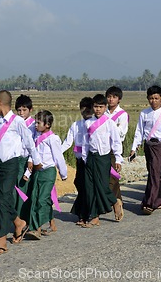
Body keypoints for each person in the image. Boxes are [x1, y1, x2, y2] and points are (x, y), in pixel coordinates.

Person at [0, 90, 42, 255]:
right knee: (0, 199)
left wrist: (35, 161)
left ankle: (1, 239)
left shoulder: (17, 121)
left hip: (11, 164)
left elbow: (29, 143)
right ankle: (19, 223)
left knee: (4, 199)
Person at [131, 86, 161, 215]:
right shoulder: (144, 113)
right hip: (148, 145)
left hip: (160, 145)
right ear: (148, 99)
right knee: (154, 172)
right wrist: (134, 148)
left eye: (156, 98)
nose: (153, 101)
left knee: (154, 173)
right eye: (151, 98)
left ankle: (150, 202)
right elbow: (139, 131)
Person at [81, 94, 124, 227]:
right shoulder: (88, 123)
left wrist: (118, 158)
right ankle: (94, 217)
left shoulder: (109, 123)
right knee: (89, 187)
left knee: (101, 186)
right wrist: (84, 158)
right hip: (90, 157)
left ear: (105, 107)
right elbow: (85, 142)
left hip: (103, 158)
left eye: (100, 107)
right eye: (95, 106)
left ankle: (114, 201)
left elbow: (116, 142)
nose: (98, 109)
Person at [24, 110, 67, 239]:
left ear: (47, 124)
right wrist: (28, 171)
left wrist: (63, 173)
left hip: (48, 172)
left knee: (42, 199)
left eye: (38, 122)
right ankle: (49, 222)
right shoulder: (36, 136)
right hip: (38, 172)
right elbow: (33, 154)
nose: (36, 125)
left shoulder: (53, 139)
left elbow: (58, 157)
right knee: (35, 198)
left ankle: (36, 228)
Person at [62, 97, 93, 226]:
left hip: (91, 159)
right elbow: (68, 142)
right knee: (79, 183)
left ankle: (85, 215)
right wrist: (56, 153)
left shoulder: (95, 124)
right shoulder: (76, 125)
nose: (85, 111)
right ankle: (83, 212)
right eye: (83, 108)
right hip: (79, 159)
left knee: (88, 186)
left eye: (88, 108)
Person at [105, 86, 128, 221]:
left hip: (115, 149)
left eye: (114, 97)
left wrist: (108, 128)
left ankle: (115, 203)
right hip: (103, 148)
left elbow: (121, 133)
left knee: (112, 178)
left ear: (119, 99)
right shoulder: (104, 112)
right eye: (109, 96)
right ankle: (117, 199)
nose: (111, 99)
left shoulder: (122, 114)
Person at [13, 94, 36, 220]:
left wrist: (31, 160)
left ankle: (24, 218)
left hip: (27, 160)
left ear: (30, 110)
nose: (21, 113)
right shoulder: (15, 123)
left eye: (24, 110)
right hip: (16, 159)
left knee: (24, 189)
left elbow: (35, 144)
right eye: (19, 110)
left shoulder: (33, 125)